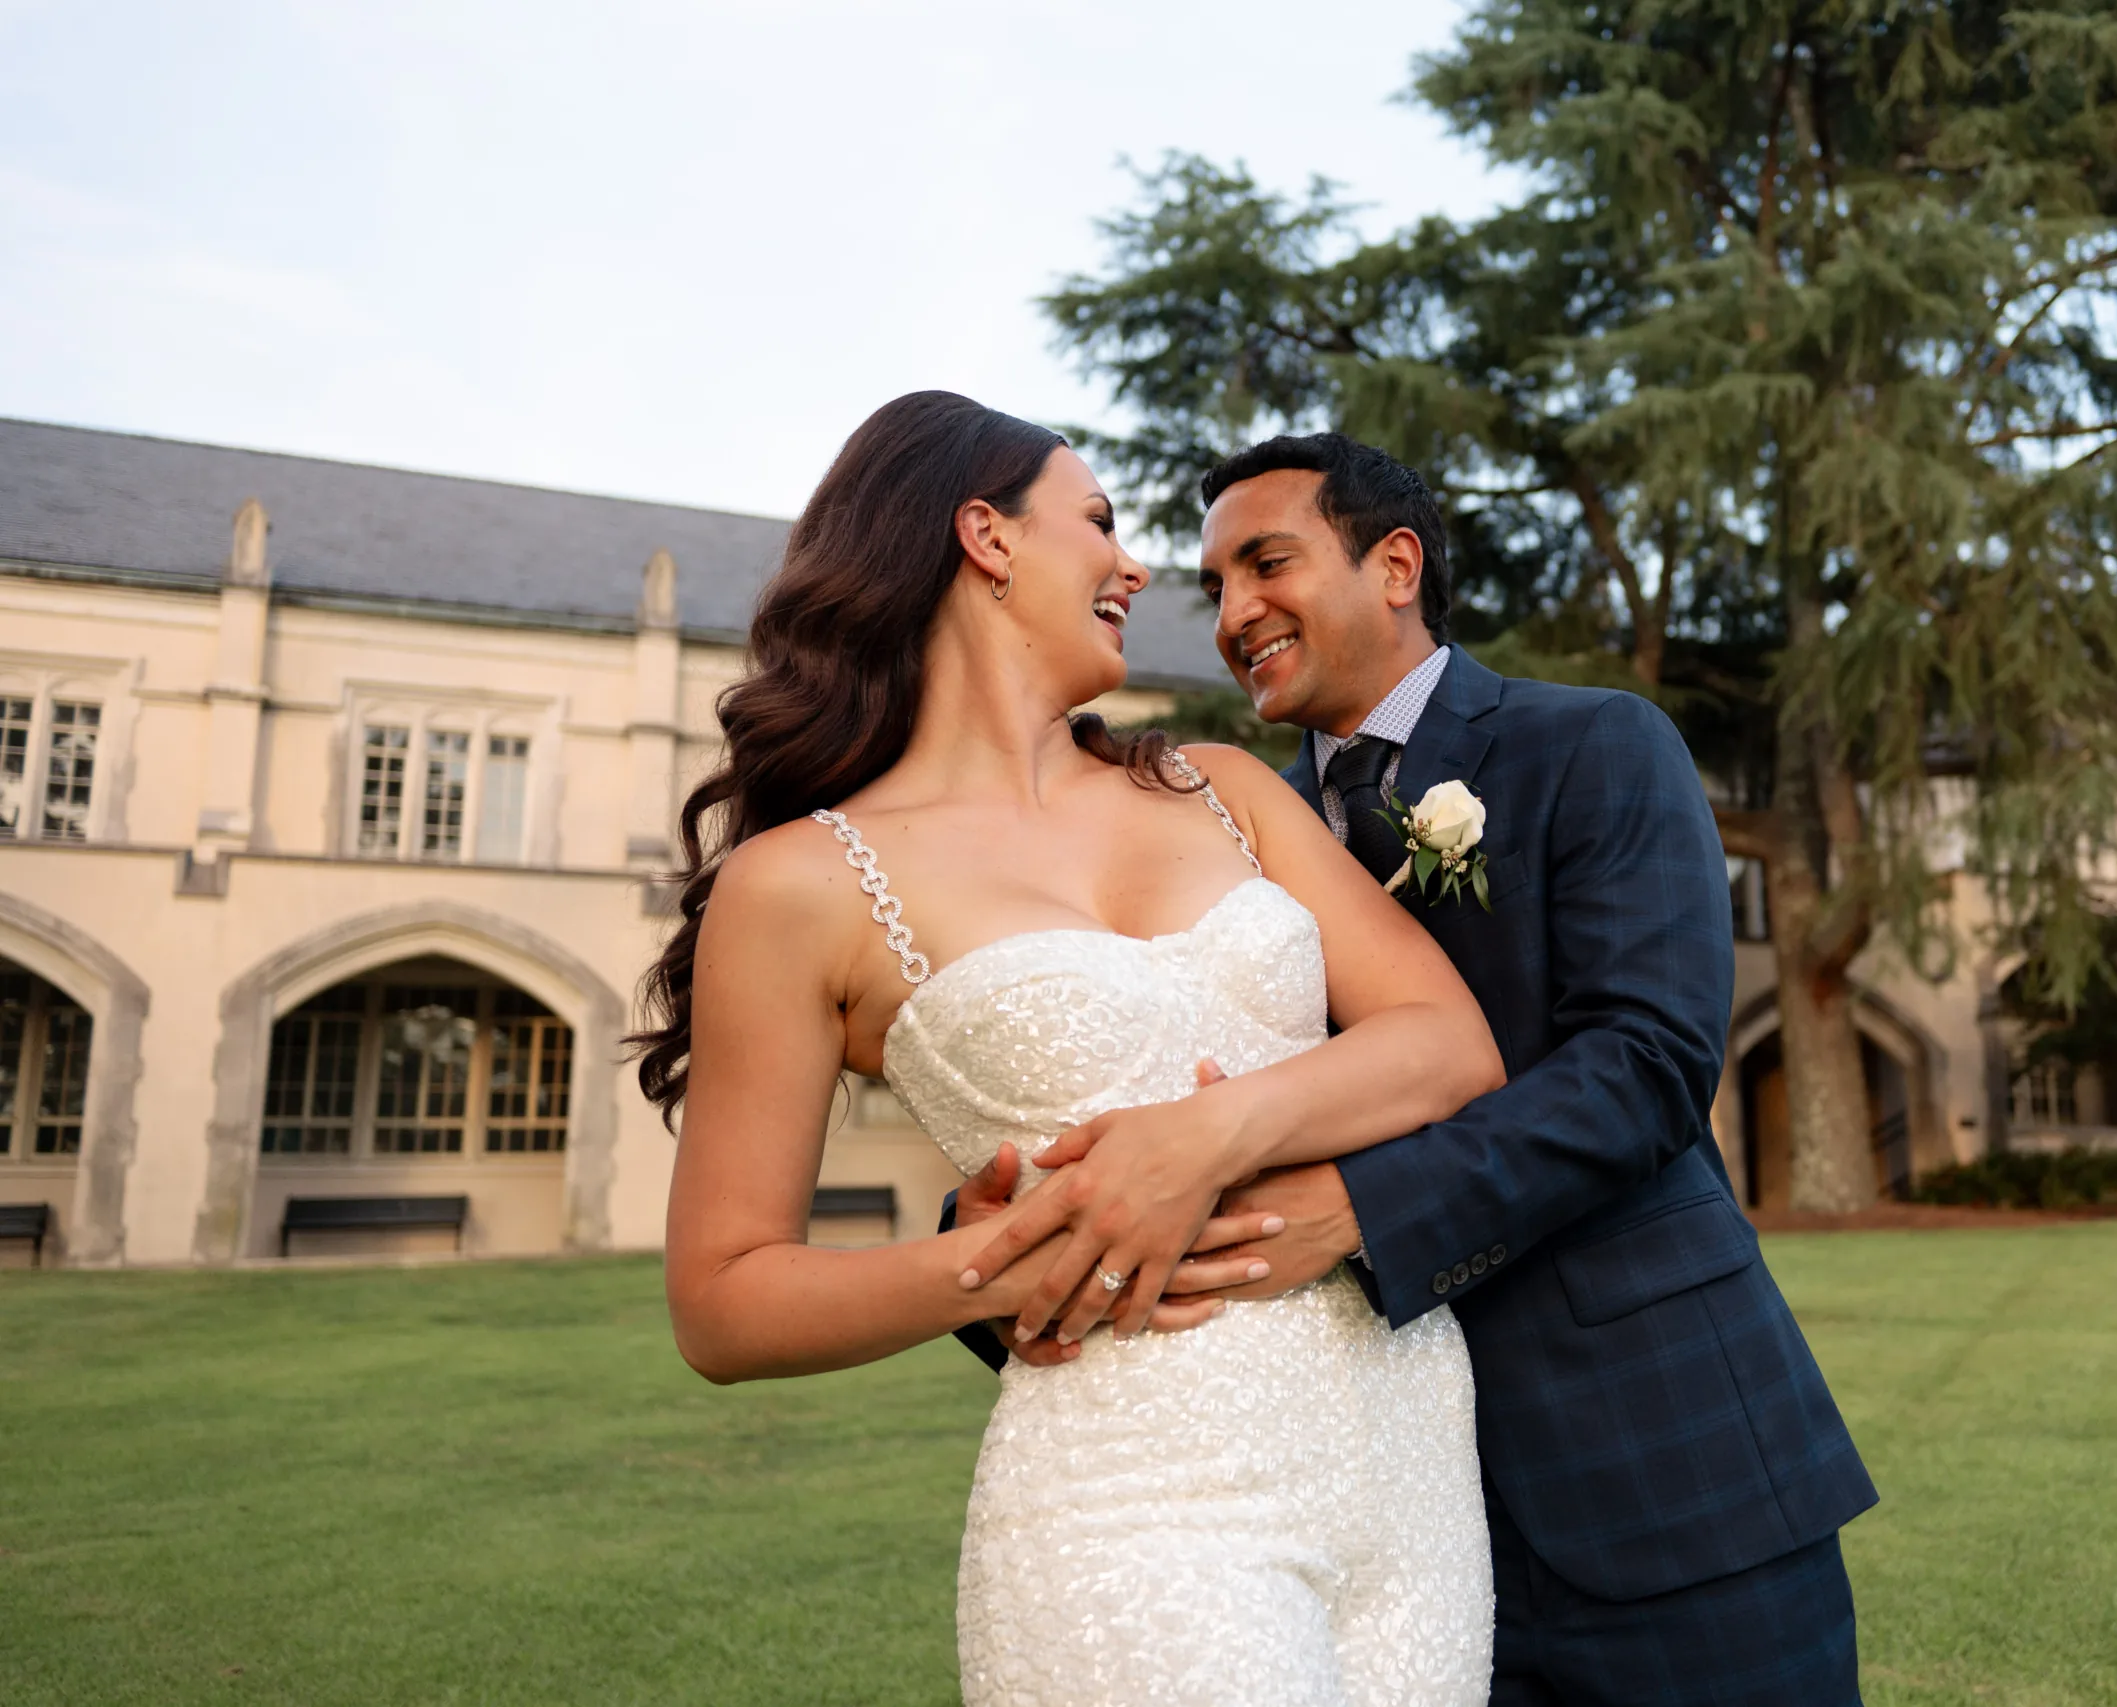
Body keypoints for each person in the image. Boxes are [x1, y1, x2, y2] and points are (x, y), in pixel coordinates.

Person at [957, 434, 1879, 1705]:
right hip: (1359, 1525)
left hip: (1660, 1475)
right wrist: (1006, 1241)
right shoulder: (1214, 831)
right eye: (1215, 584)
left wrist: (1356, 1212)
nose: (1233, 614)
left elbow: (1647, 1065)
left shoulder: (1598, 746)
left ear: (1395, 565)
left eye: (1265, 563)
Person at [633, 392, 1507, 1706]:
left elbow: (1446, 1042)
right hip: (1134, 1494)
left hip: (1410, 1458)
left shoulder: (1222, 783)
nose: (1135, 564)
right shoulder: (801, 883)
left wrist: (1202, 1134)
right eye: (1096, 522)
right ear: (984, 535)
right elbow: (722, 1297)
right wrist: (995, 1261)